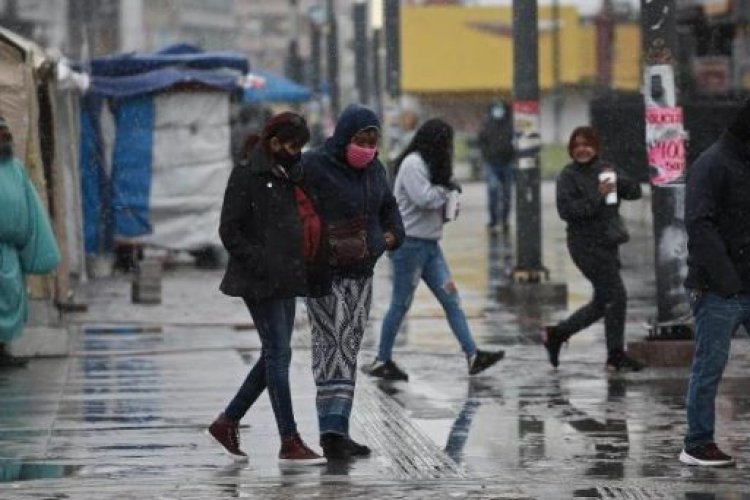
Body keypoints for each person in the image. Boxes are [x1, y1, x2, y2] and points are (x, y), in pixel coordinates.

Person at [207, 112, 328, 465]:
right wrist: (263, 262)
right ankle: (289, 440)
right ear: (273, 143)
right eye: (291, 145)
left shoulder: (291, 174)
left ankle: (227, 421)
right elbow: (229, 231)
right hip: (260, 281)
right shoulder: (247, 176)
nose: (296, 152)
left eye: (299, 147)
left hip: (288, 277)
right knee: (277, 354)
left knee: (277, 353)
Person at [364, 118, 505, 382]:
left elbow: (434, 201)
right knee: (400, 303)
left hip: (430, 245)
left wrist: (448, 204)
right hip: (409, 245)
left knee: (451, 299)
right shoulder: (413, 164)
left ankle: (472, 354)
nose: (449, 149)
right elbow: (424, 198)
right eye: (446, 143)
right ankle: (381, 359)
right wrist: (446, 191)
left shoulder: (430, 166)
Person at [301, 104, 405, 460]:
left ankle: (336, 429)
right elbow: (295, 206)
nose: (367, 146)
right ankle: (330, 429)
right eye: (361, 139)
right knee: (331, 344)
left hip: (362, 272)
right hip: (323, 273)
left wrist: (389, 238)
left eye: (373, 140)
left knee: (349, 345)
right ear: (344, 136)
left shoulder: (375, 169)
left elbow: (389, 209)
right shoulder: (314, 166)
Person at [679, 100, 750, 467]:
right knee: (709, 367)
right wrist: (728, 280)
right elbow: (699, 225)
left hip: (741, 283)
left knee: (709, 366)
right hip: (717, 288)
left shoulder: (741, 162)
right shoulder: (712, 164)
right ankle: (696, 443)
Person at [542, 126, 644, 372]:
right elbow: (568, 212)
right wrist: (598, 196)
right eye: (576, 146)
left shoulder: (606, 169)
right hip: (584, 245)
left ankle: (557, 334)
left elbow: (636, 193)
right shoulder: (568, 176)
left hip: (608, 243)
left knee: (603, 301)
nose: (582, 150)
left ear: (595, 147)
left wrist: (618, 180)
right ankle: (615, 355)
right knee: (616, 296)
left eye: (586, 144)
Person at [0, 116, 61, 369]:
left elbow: (33, 209)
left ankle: (2, 348)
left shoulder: (16, 169)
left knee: (11, 297)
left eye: (6, 137)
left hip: (10, 254)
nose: (4, 142)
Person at [478, 100, 515, 235]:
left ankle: (504, 221)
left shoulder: (510, 125)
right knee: (493, 192)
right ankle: (493, 221)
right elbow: (481, 142)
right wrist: (487, 155)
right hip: (492, 163)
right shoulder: (487, 125)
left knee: (506, 194)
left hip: (507, 163)